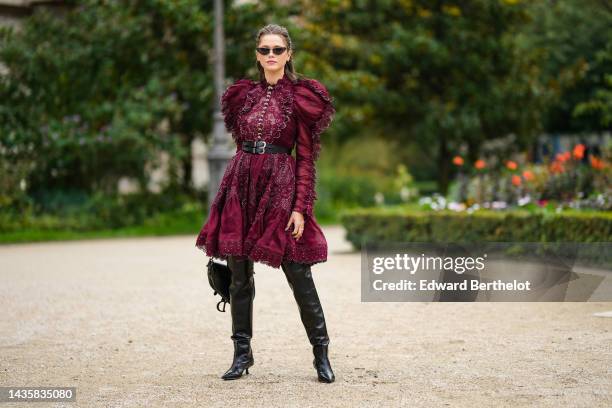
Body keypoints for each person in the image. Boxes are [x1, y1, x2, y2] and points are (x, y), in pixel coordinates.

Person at [195, 23, 336, 383]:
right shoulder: (244, 96)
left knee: (298, 273)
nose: (270, 55)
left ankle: (321, 353)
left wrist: (300, 207)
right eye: (264, 50)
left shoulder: (302, 97)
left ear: (288, 54)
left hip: (281, 188)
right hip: (241, 185)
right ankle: (242, 354)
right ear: (257, 55)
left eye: (277, 50)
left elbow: (305, 158)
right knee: (239, 277)